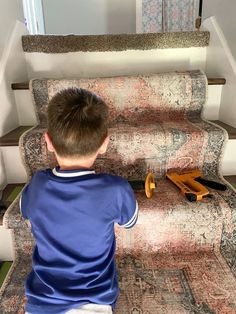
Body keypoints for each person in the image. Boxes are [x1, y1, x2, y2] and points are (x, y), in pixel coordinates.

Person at [20, 88, 138, 314]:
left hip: (41, 303)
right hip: (94, 302)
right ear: (105, 144)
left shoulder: (36, 186)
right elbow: (129, 223)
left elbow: (26, 213)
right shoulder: (117, 190)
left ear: (48, 141)